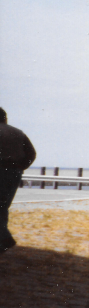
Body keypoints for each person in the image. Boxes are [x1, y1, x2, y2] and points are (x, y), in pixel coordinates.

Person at [0, 108, 36, 254]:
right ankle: (2, 239)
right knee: (3, 206)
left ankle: (5, 238)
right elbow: (31, 153)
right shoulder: (18, 132)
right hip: (14, 172)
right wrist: (20, 167)